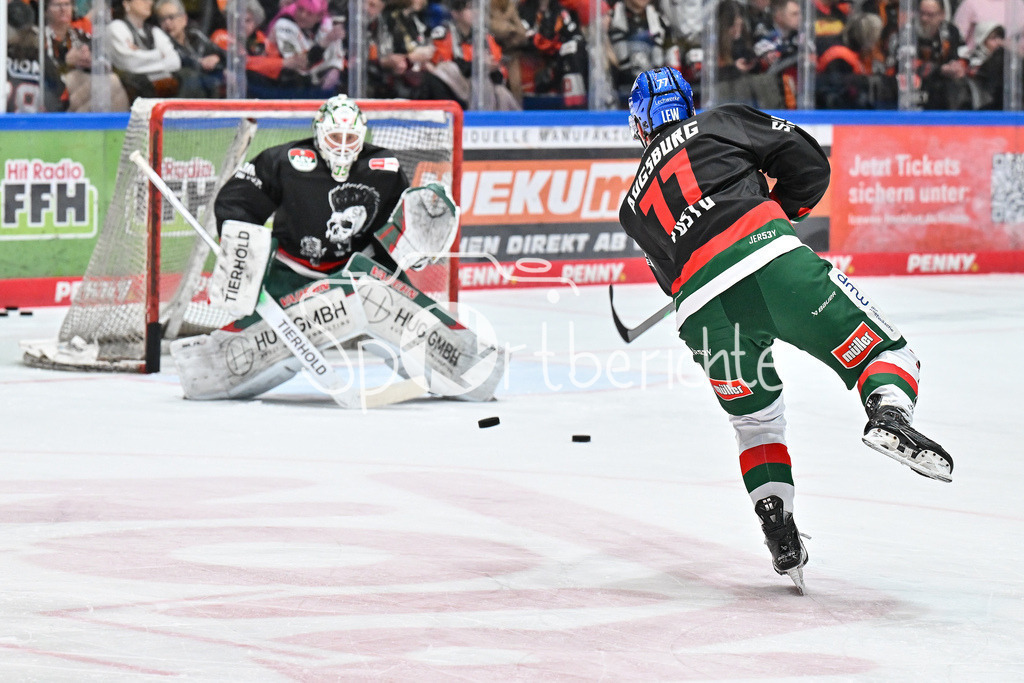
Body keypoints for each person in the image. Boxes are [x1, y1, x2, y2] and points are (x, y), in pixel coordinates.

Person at [617, 67, 954, 592]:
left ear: (638, 121)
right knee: (888, 354)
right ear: (686, 102)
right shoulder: (719, 121)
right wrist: (783, 211)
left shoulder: (632, 207)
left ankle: (780, 532)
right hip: (770, 262)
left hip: (702, 312)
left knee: (756, 425)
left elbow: (671, 280)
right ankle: (887, 412)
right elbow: (807, 159)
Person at [172, 95, 506, 403]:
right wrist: (243, 247)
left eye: (351, 139)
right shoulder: (284, 161)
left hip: (357, 273)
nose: (343, 147)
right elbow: (237, 201)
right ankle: (208, 371)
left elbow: (397, 230)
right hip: (293, 274)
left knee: (407, 315)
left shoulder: (384, 167)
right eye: (336, 138)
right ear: (319, 134)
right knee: (253, 341)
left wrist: (418, 240)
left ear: (362, 136)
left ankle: (464, 365)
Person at [45, 0, 131, 111]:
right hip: (56, 85)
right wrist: (66, 62)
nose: (63, 9)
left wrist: (92, 61)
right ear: (46, 11)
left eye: (67, 4)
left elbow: (104, 60)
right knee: (104, 84)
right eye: (57, 5)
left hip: (83, 80)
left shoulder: (80, 34)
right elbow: (43, 70)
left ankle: (118, 125)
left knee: (112, 80)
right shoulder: (41, 36)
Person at [108, 0, 183, 101]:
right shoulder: (116, 27)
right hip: (129, 92)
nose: (149, 2)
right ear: (126, 3)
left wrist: (140, 55)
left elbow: (175, 62)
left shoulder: (154, 31)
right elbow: (128, 63)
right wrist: (159, 55)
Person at [155, 0, 226, 98]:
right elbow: (181, 61)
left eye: (171, 17)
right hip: (183, 83)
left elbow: (219, 51)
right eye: (162, 19)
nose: (167, 23)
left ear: (184, 19)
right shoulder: (160, 42)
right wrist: (202, 62)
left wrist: (217, 57)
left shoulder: (194, 34)